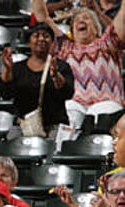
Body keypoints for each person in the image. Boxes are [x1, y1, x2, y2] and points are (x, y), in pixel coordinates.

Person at [32, 0, 125, 132]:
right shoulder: (65, 46)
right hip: (76, 103)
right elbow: (43, 18)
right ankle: (62, 150)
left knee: (100, 112)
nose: (81, 20)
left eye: (86, 18)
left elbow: (122, 18)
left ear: (97, 29)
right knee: (68, 112)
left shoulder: (107, 43)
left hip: (107, 103)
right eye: (76, 20)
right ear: (72, 31)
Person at [0, 24, 74, 138]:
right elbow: (5, 94)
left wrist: (55, 75)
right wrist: (8, 69)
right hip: (25, 125)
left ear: (53, 43)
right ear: (29, 41)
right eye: (36, 35)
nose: (41, 39)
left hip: (54, 125)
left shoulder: (62, 66)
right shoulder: (18, 68)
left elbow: (68, 93)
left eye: (46, 36)